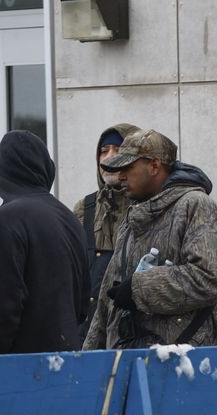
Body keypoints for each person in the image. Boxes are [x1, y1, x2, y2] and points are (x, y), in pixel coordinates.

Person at [82, 128, 217, 415]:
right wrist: (90, 361)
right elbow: (109, 302)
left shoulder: (196, 207)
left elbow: (208, 278)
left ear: (155, 165)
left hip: (187, 374)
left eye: (128, 167)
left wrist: (138, 290)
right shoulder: (134, 217)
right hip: (137, 374)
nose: (119, 175)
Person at [0, 130, 90, 415]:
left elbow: (2, 313)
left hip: (29, 382)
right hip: (70, 379)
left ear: (1, 170)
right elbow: (83, 301)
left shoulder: (7, 220)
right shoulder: (68, 218)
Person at [73, 123, 140, 343]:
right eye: (103, 151)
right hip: (88, 334)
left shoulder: (148, 207)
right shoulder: (85, 208)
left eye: (117, 149)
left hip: (132, 333)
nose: (108, 157)